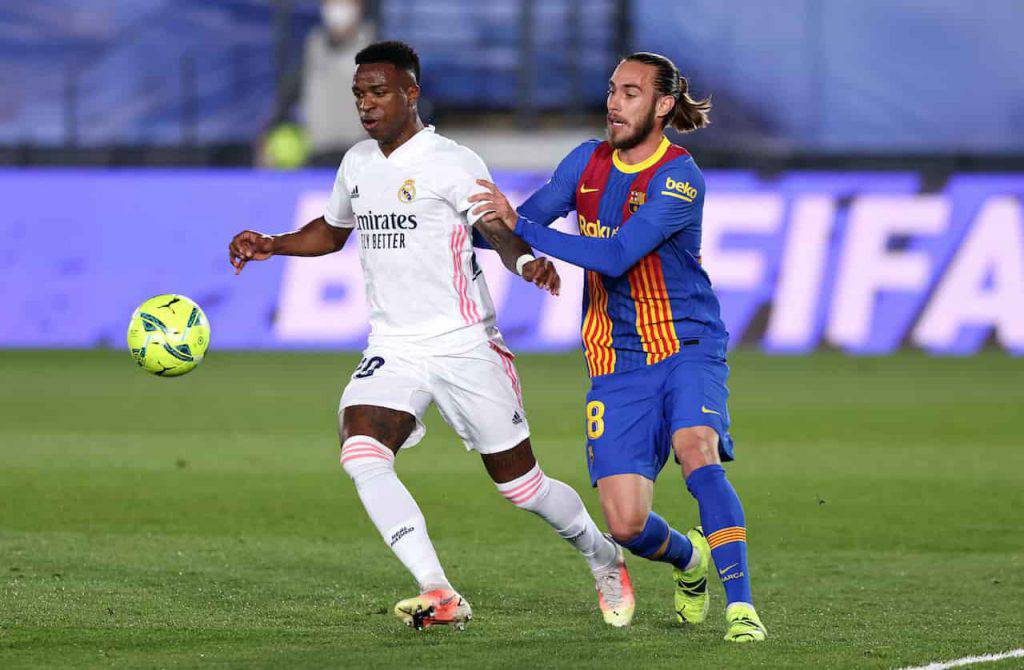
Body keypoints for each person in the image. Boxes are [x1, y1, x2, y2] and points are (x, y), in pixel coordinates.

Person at [229, 41, 633, 630]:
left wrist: (524, 264)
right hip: (395, 347)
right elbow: (333, 230)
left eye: (378, 92)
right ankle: (439, 591)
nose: (366, 105)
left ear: (410, 93)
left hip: (466, 343)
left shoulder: (452, 159)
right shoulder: (357, 164)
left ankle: (604, 556)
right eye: (359, 94)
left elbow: (493, 224)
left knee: (523, 487)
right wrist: (274, 244)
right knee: (362, 450)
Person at [469, 52, 767, 642]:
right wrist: (481, 226)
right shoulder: (585, 161)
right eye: (611, 90)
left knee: (696, 450)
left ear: (662, 105)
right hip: (616, 363)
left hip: (686, 344)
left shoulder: (679, 177)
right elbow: (507, 227)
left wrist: (524, 231)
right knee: (626, 524)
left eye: (630, 93)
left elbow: (614, 254)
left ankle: (742, 608)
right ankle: (689, 560)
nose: (613, 102)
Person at [266, 0, 374, 166]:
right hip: (317, 155)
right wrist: (271, 130)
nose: (338, 8)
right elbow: (289, 95)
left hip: (362, 157)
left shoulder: (377, 48)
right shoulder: (312, 44)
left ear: (359, 6)